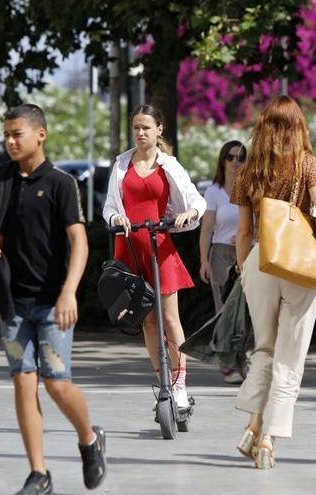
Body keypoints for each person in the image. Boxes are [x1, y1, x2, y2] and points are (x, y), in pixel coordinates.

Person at [0, 103, 106, 495]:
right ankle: (40, 474)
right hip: (13, 303)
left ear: (41, 134)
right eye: (6, 134)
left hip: (53, 303)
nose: (10, 141)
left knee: (57, 384)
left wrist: (69, 292)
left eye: (17, 133)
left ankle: (89, 438)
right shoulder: (0, 179)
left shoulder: (60, 183)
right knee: (23, 382)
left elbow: (79, 242)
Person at [231, 96, 316, 469]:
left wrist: (245, 270)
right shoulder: (308, 164)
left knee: (266, 348)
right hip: (299, 264)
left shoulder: (249, 170)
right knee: (290, 357)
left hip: (261, 260)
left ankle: (252, 424)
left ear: (264, 127)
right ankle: (269, 441)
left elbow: (244, 232)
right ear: (298, 127)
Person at [102, 104, 207, 411]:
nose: (141, 133)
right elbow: (109, 208)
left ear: (160, 129)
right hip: (130, 248)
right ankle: (162, 383)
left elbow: (196, 201)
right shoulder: (122, 164)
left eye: (146, 127)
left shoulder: (169, 165)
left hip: (159, 247)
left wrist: (188, 213)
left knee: (170, 319)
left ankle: (179, 385)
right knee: (148, 322)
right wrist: (115, 220)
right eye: (136, 127)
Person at [199, 140, 247, 384]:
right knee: (224, 312)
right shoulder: (214, 191)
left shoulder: (251, 188)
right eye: (230, 157)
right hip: (220, 254)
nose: (235, 162)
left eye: (240, 157)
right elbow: (206, 229)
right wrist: (203, 261)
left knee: (245, 311)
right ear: (222, 160)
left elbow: (260, 223)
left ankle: (241, 359)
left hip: (247, 254)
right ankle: (227, 365)